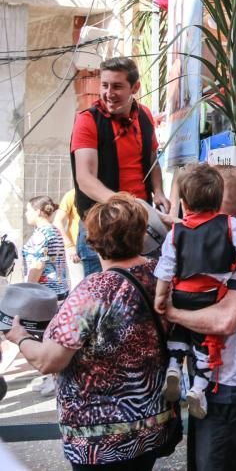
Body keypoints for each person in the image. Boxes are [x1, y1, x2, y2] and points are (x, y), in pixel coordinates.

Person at [4, 194, 175, 470]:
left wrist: (19, 337)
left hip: (100, 440)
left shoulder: (93, 291)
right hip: (152, 428)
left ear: (92, 239)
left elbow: (49, 360)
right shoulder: (161, 275)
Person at [162, 165, 236, 471]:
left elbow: (225, 321)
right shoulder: (209, 245)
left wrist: (171, 312)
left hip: (229, 394)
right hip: (209, 390)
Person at [70, 57, 170, 276]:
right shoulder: (88, 120)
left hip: (140, 225)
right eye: (104, 85)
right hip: (102, 227)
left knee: (144, 297)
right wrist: (132, 205)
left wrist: (159, 191)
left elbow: (152, 158)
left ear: (134, 87)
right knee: (102, 304)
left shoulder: (144, 115)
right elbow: (86, 180)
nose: (108, 93)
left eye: (117, 86)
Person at [22, 196, 70, 301]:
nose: (26, 213)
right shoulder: (55, 231)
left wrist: (27, 291)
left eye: (28, 210)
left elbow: (38, 265)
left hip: (43, 294)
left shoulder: (40, 235)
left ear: (38, 212)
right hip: (60, 290)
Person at [54, 189, 81, 268]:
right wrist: (70, 245)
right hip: (76, 249)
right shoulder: (72, 194)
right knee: (79, 280)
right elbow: (57, 222)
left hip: (101, 249)